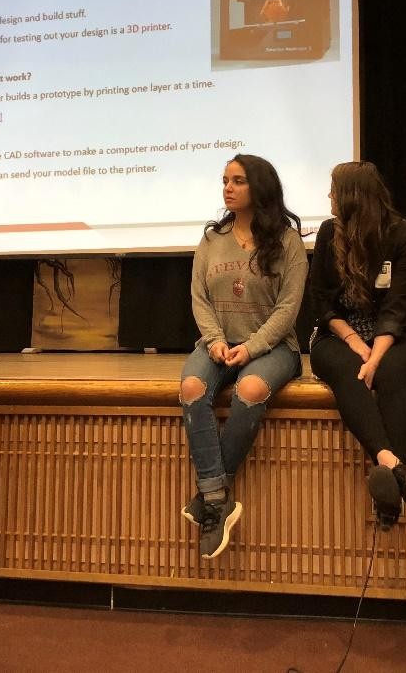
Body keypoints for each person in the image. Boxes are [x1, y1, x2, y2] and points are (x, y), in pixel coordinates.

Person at [179, 153, 307, 559]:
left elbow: (288, 309)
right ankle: (219, 500)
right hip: (218, 343)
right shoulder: (212, 239)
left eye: (237, 181)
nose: (227, 188)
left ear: (260, 187)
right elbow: (199, 297)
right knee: (191, 386)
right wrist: (215, 340)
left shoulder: (286, 241)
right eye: (224, 181)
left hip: (272, 348)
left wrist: (250, 348)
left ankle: (209, 498)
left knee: (250, 389)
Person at [308, 162, 406, 528]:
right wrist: (354, 343)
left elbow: (398, 308)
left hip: (398, 336)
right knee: (348, 371)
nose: (329, 197)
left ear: (351, 196)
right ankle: (395, 467)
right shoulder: (329, 233)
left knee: (392, 373)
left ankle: (388, 495)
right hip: (339, 335)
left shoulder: (405, 235)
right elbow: (321, 302)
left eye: (333, 190)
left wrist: (375, 356)